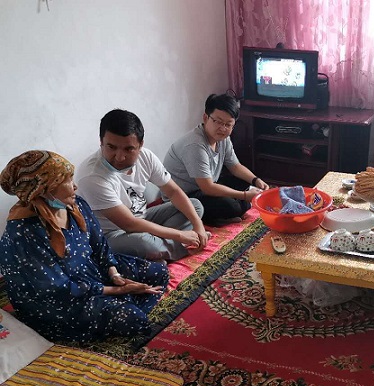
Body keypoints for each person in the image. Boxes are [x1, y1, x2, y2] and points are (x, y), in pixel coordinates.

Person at [0, 150, 168, 343]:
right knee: (133, 319)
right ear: (44, 189)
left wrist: (115, 275)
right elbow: (58, 288)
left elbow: (99, 245)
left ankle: (121, 304)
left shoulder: (74, 204)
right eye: (66, 181)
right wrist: (118, 291)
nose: (75, 186)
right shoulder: (23, 234)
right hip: (58, 299)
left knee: (159, 272)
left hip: (90, 272)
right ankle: (124, 306)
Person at [76, 109, 209, 262]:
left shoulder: (146, 157)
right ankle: (175, 248)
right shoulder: (91, 176)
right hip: (111, 234)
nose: (119, 157)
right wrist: (179, 235)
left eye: (128, 149)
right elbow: (129, 224)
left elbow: (173, 192)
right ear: (101, 142)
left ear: (140, 145)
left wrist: (199, 226)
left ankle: (161, 251)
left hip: (142, 218)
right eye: (111, 147)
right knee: (146, 244)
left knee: (195, 206)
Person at [164, 93, 270, 225]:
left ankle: (226, 213)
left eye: (228, 124)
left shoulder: (223, 139)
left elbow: (235, 167)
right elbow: (207, 188)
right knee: (234, 206)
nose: (223, 128)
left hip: (206, 186)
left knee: (245, 183)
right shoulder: (195, 145)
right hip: (184, 196)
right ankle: (214, 219)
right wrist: (244, 196)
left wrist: (256, 180)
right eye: (218, 122)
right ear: (205, 118)